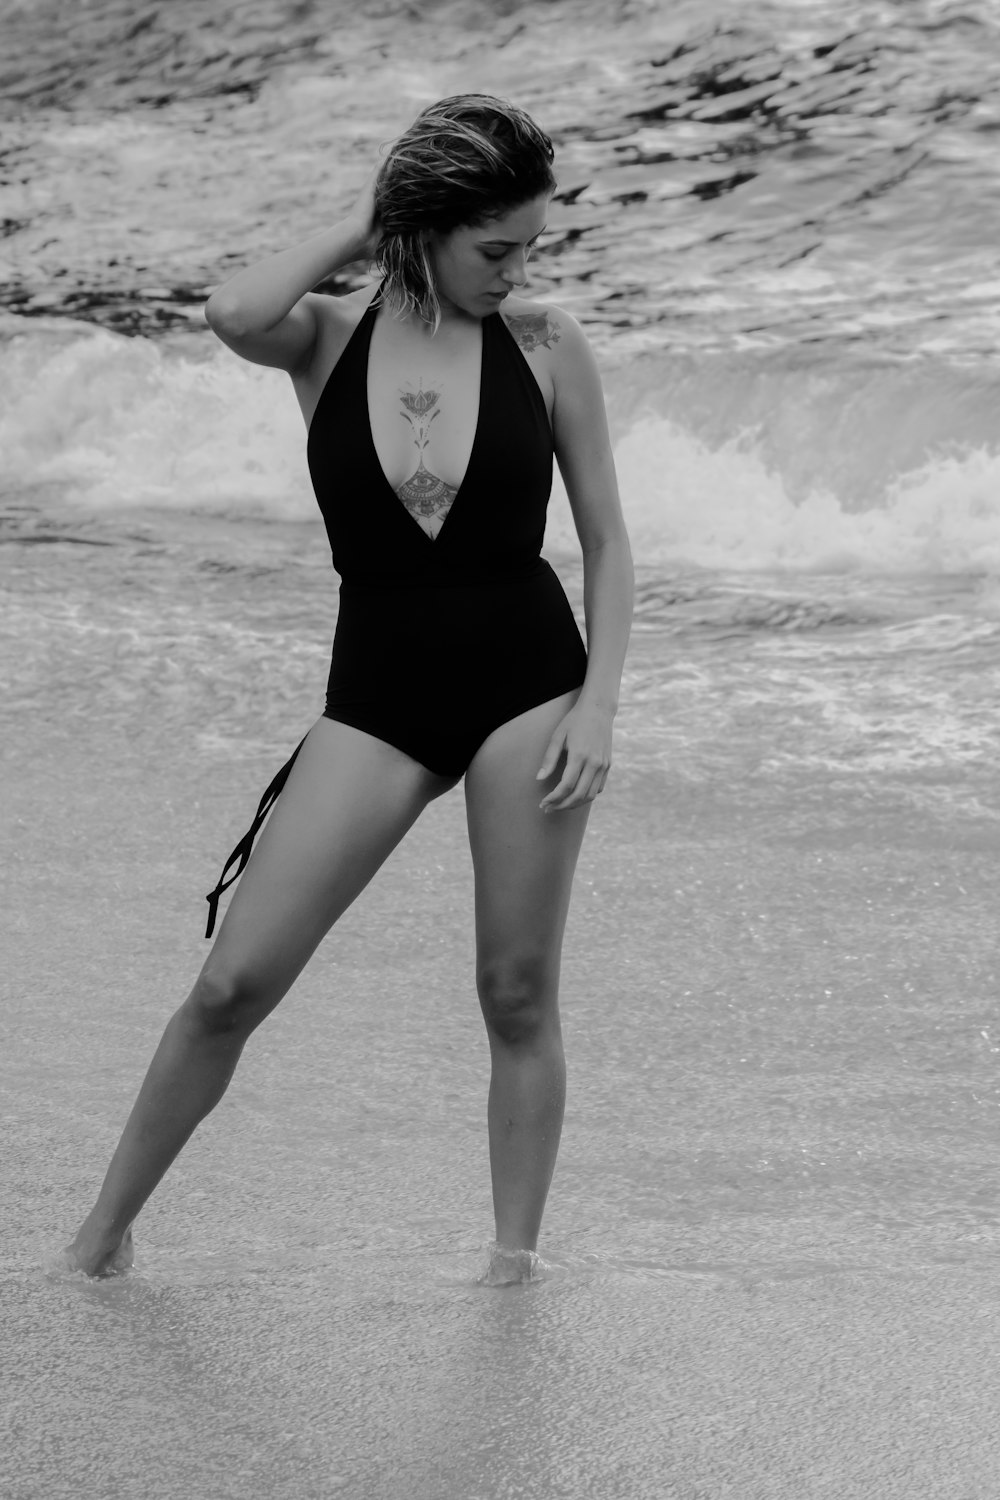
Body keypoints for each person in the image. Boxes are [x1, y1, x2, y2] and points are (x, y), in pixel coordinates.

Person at [64, 94, 633, 1285]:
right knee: (232, 982)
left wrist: (599, 705)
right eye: (495, 247)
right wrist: (368, 221)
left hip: (530, 683)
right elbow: (230, 309)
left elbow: (608, 546)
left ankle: (511, 1263)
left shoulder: (544, 341)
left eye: (529, 245)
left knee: (515, 989)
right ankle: (98, 1242)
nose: (515, 268)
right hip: (376, 696)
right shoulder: (324, 339)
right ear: (423, 228)